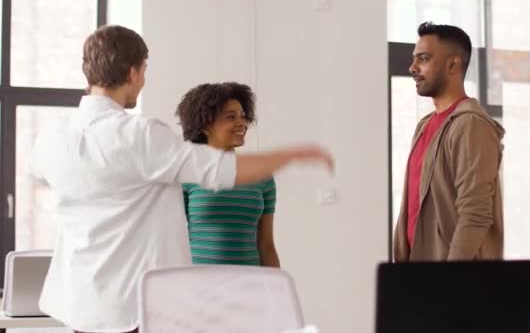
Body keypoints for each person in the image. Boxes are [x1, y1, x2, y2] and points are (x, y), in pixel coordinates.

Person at [28, 25, 332, 333]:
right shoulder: (139, 135)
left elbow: (42, 179)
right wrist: (293, 154)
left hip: (80, 305)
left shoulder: (50, 138)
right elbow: (221, 170)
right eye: (145, 71)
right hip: (133, 309)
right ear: (134, 72)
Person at [393, 22, 505, 262]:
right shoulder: (425, 126)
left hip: (452, 284)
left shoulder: (471, 125)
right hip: (418, 276)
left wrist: (450, 279)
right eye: (414, 59)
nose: (413, 67)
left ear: (452, 65)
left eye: (423, 59)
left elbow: (475, 214)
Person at [176, 82, 280, 267]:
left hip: (249, 284)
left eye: (242, 116)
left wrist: (277, 292)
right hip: (200, 285)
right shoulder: (189, 174)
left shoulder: (261, 176)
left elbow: (266, 246)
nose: (241, 123)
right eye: (231, 117)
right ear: (206, 125)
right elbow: (173, 241)